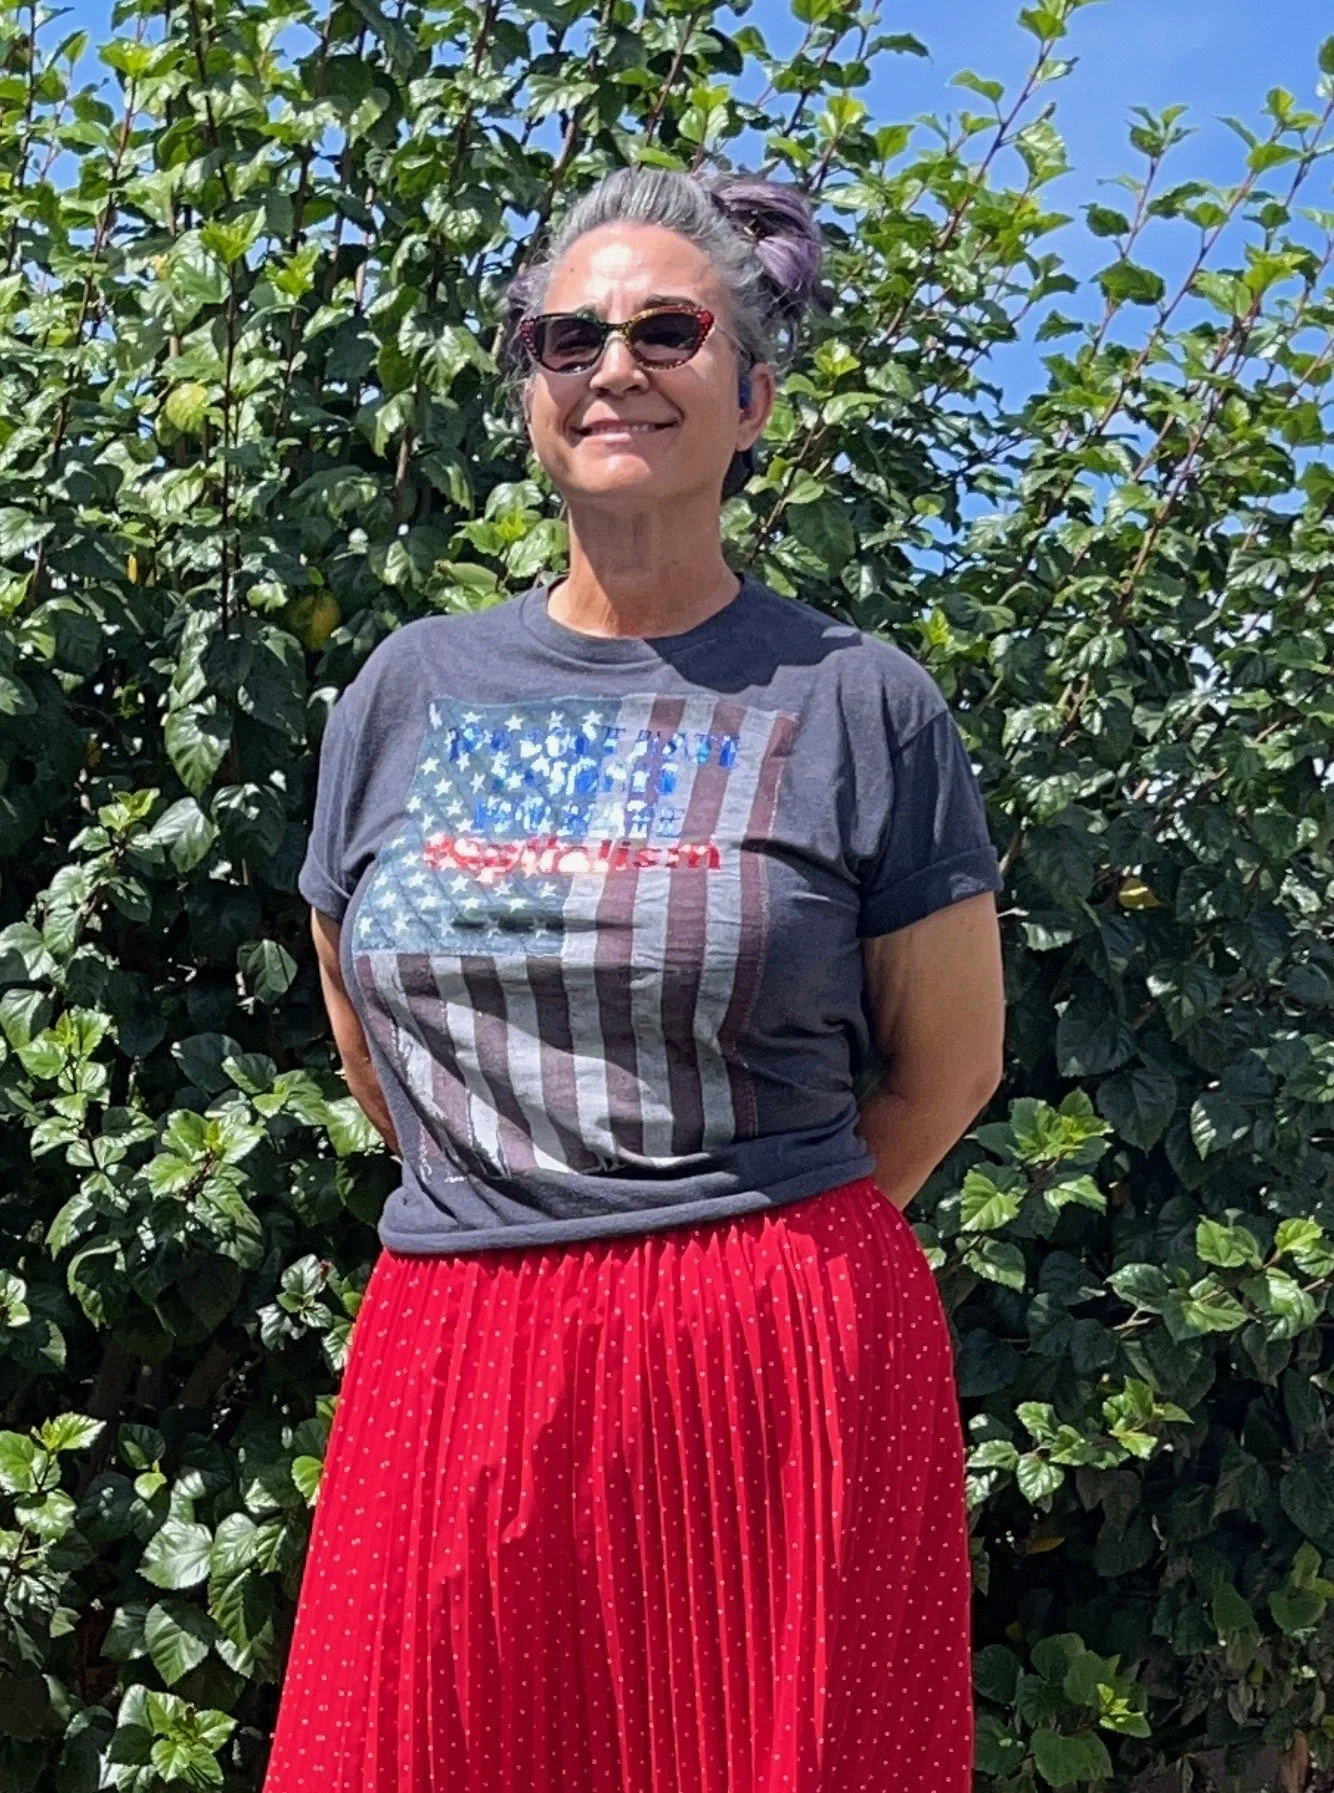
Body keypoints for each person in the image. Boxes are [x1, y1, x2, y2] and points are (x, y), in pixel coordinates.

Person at [262, 165, 1006, 1793]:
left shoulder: (861, 702)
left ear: (751, 400)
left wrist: (730, 1249)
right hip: (457, 1347)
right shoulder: (405, 690)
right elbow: (364, 1013)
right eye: (568, 337)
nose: (614, 367)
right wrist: (526, 1217)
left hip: (767, 1365)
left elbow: (946, 1067)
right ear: (529, 393)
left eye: (667, 332)